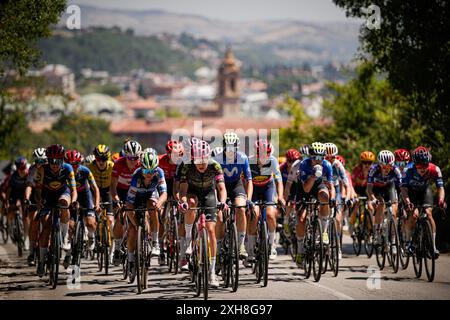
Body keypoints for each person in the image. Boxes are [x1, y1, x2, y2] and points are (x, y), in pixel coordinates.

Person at [178, 139, 227, 288]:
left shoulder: (215, 166)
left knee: (211, 230)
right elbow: (183, 191)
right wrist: (183, 201)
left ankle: (212, 272)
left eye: (203, 160)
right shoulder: (187, 167)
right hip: (193, 193)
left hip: (209, 195)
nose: (201, 164)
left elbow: (221, 188)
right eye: (197, 160)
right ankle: (188, 240)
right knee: (191, 204)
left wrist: (223, 202)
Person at [34, 144, 78, 277]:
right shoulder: (42, 169)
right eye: (51, 160)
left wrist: (74, 201)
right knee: (46, 228)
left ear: (62, 160)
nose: (54, 164)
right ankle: (41, 261)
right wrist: (39, 201)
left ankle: (64, 238)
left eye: (57, 161)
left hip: (62, 193)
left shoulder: (68, 168)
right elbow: (37, 189)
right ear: (48, 160)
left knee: (64, 203)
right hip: (47, 196)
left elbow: (74, 190)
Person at [125, 149, 167, 282]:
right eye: (146, 171)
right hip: (136, 199)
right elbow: (129, 205)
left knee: (153, 207)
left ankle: (155, 243)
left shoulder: (159, 173)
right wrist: (135, 223)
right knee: (132, 230)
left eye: (152, 171)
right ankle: (131, 261)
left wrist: (158, 205)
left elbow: (164, 194)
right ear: (141, 168)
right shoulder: (136, 177)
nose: (149, 175)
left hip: (150, 195)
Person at [213, 132, 253, 263]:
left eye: (233, 147)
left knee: (241, 209)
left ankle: (241, 245)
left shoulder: (243, 158)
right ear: (224, 147)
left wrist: (249, 199)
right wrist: (217, 201)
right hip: (220, 186)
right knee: (219, 217)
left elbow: (249, 180)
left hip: (236, 185)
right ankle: (218, 251)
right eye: (228, 147)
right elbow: (213, 183)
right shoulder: (217, 159)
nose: (230, 150)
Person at [294, 142, 335, 266]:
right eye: (315, 158)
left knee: (325, 197)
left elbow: (330, 185)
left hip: (319, 186)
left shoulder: (327, 165)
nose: (318, 161)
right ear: (310, 157)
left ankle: (324, 232)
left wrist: (331, 198)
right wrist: (313, 175)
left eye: (321, 158)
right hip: (304, 187)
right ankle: (300, 250)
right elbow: (306, 189)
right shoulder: (304, 165)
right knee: (301, 219)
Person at [401, 146, 446, 257]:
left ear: (428, 163)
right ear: (414, 164)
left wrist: (441, 200)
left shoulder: (435, 169)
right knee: (414, 215)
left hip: (425, 191)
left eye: (425, 165)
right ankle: (408, 241)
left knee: (429, 213)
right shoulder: (408, 170)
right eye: (419, 166)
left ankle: (433, 246)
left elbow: (440, 187)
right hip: (411, 193)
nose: (422, 168)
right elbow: (403, 189)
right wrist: (407, 202)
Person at [246, 138, 285, 265]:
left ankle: (272, 245)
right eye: (260, 154)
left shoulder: (273, 161)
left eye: (266, 154)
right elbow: (245, 182)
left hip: (268, 188)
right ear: (256, 153)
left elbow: (279, 181)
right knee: (254, 215)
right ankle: (250, 250)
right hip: (254, 190)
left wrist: (280, 197)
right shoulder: (249, 161)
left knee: (270, 214)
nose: (263, 157)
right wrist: (247, 198)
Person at [64, 149, 100, 268]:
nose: (73, 167)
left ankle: (91, 236)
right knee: (70, 225)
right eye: (70, 164)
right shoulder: (64, 172)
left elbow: (95, 188)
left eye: (76, 164)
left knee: (90, 223)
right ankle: (69, 253)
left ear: (80, 164)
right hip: (72, 196)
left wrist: (97, 203)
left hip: (85, 195)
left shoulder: (85, 171)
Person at [157, 140, 184, 265]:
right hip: (163, 184)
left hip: (176, 184)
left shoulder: (183, 162)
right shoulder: (160, 160)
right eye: (173, 155)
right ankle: (161, 248)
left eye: (178, 155)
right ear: (167, 154)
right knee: (162, 216)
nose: (176, 158)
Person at [367, 150, 402, 245]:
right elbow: (369, 189)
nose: (386, 169)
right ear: (379, 164)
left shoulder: (396, 170)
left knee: (394, 212)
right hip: (377, 189)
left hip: (389, 187)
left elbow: (401, 188)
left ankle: (394, 237)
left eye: (389, 166)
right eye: (384, 166)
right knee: (381, 205)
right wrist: (373, 199)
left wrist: (402, 201)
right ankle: (377, 233)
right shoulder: (373, 169)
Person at [89, 144, 115, 263]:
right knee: (93, 218)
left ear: (108, 159)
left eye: (103, 159)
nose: (100, 162)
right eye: (98, 159)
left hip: (108, 191)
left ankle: (112, 249)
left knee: (110, 220)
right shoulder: (90, 167)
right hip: (95, 192)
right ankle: (95, 236)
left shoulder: (112, 166)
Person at [24, 148, 47, 266]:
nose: (39, 164)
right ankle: (32, 252)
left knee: (48, 221)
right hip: (35, 195)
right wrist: (27, 199)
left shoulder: (49, 168)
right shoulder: (32, 169)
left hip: (47, 195)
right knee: (34, 222)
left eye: (42, 161)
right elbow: (29, 186)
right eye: (37, 161)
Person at [6, 157, 30, 252]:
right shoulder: (13, 176)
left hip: (25, 193)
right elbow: (9, 190)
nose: (22, 171)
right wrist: (8, 201)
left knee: (26, 216)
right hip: (15, 193)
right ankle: (10, 225)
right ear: (17, 168)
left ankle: (26, 238)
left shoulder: (29, 174)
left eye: (24, 168)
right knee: (11, 208)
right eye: (20, 169)